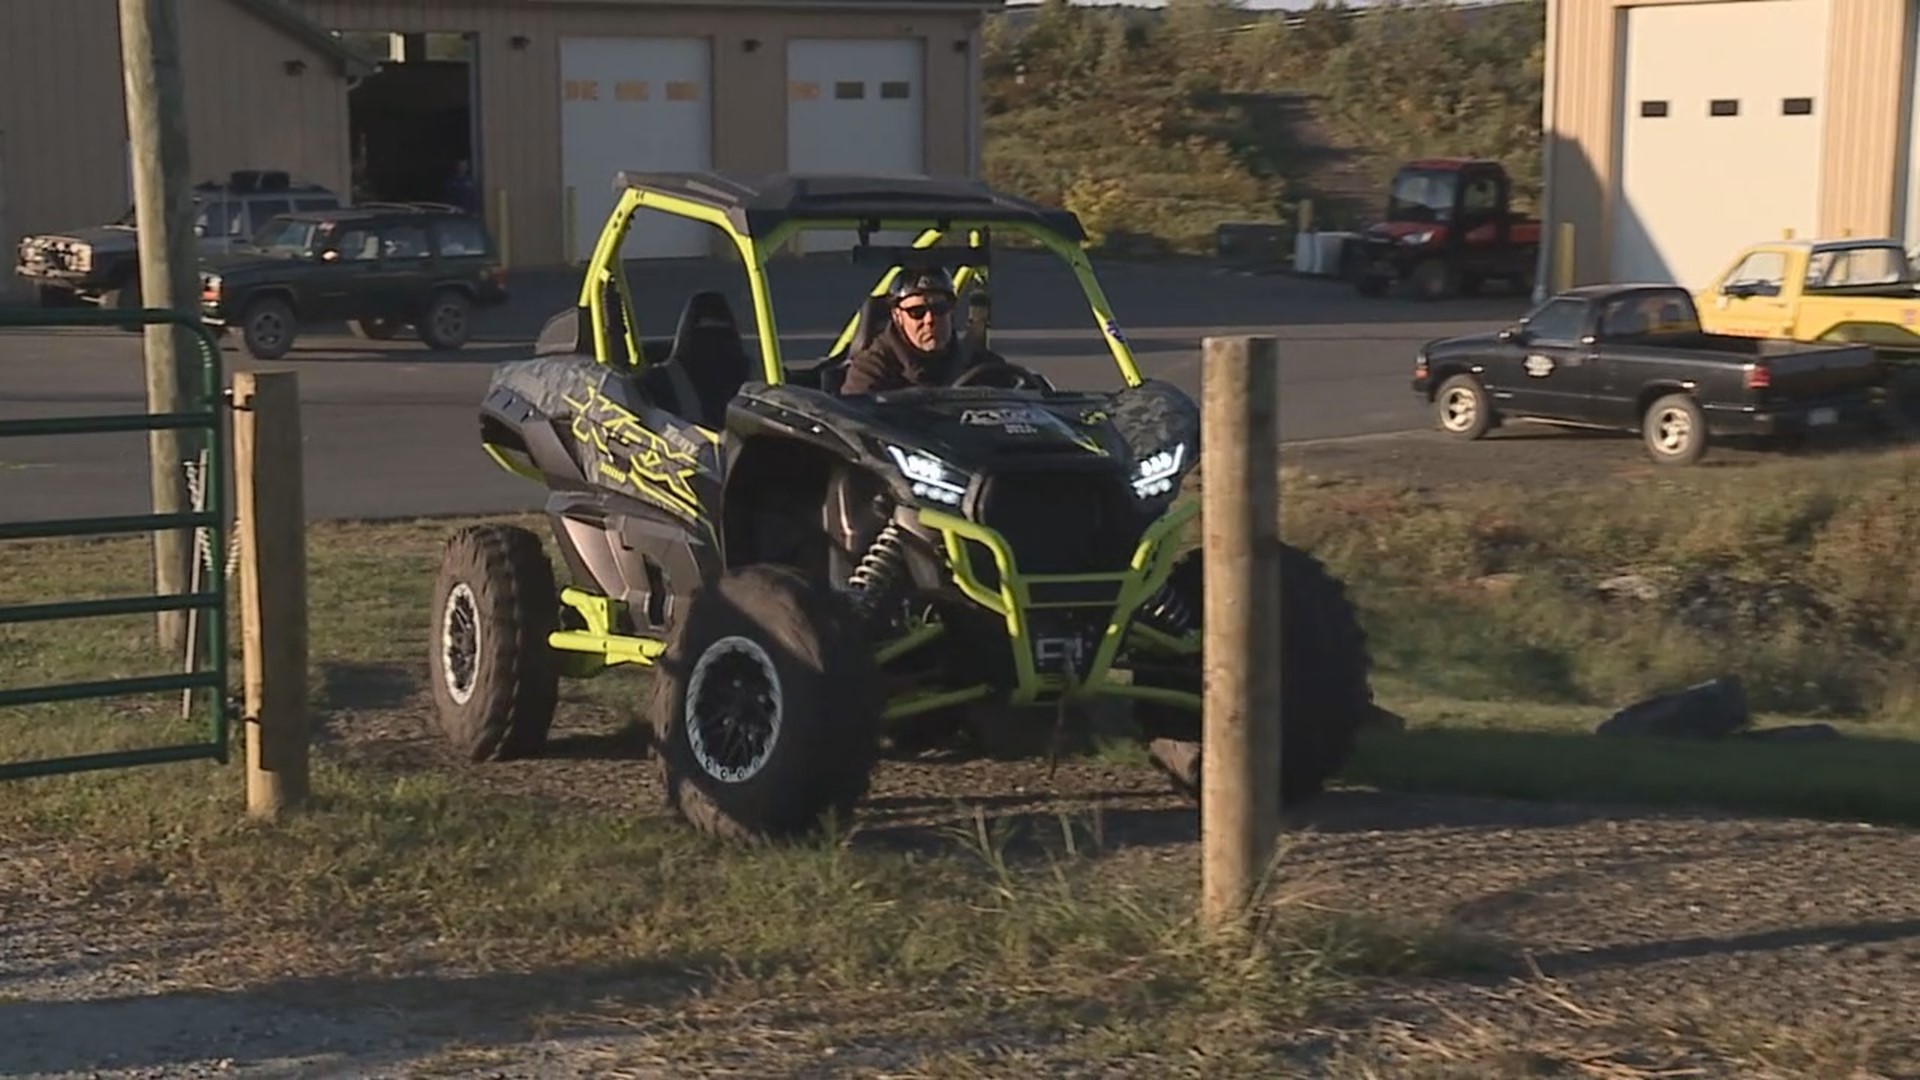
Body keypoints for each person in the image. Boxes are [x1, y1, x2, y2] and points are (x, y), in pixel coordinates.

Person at [838, 267, 1006, 395]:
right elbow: (857, 425)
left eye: (939, 309)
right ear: (897, 316)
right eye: (916, 312)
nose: (929, 320)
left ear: (951, 311)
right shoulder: (872, 369)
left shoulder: (979, 363)